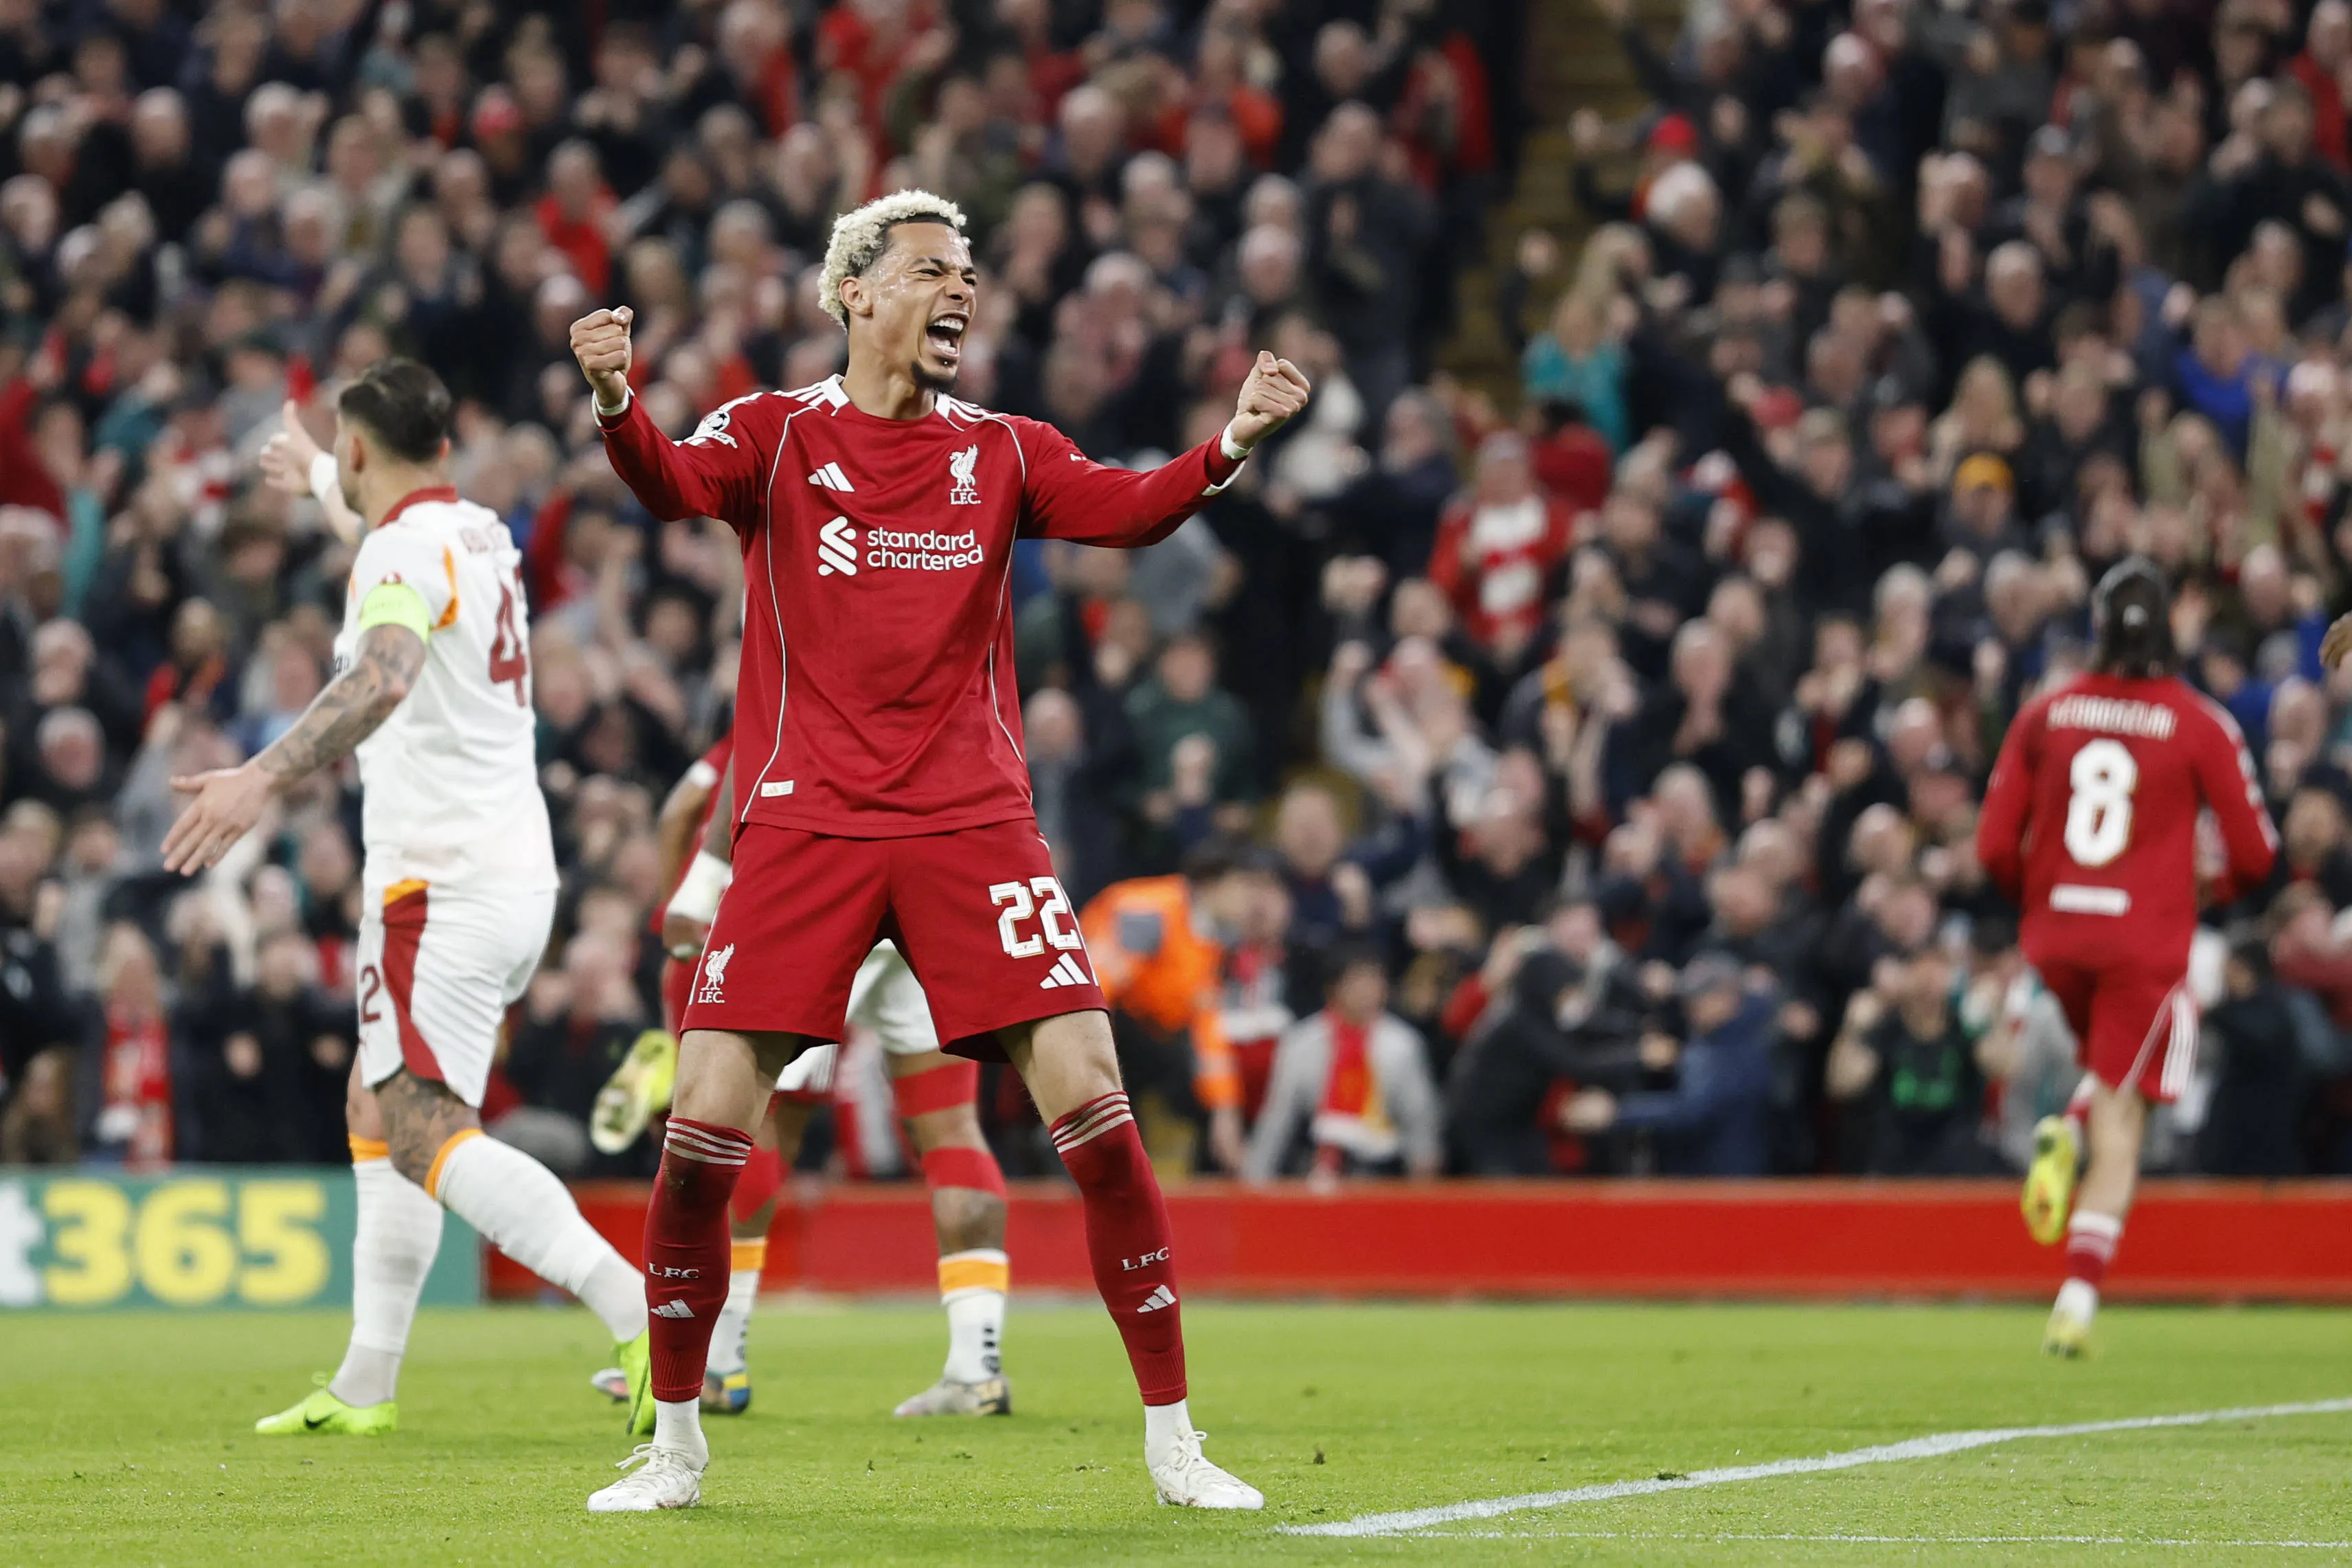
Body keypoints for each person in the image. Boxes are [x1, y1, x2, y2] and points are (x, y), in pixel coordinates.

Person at [571, 188, 1308, 1512]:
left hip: (974, 822)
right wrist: (620, 404)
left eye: (966, 274)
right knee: (699, 1132)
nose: (958, 291)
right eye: (928, 270)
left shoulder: (1002, 450)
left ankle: (1174, 1442)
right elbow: (671, 482)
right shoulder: (774, 433)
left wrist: (1225, 447)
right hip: (803, 824)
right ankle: (674, 1444)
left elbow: (1126, 510)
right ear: (855, 293)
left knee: (1097, 1114)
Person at [163, 363, 657, 1435]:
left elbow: (383, 673)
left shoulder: (401, 549)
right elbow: (397, 567)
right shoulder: (475, 530)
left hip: (438, 882)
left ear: (355, 447)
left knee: (428, 1132)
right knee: (375, 1108)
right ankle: (366, 1381)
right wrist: (321, 492)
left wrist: (260, 775)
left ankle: (643, 1309)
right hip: (514, 872)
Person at [589, 752, 1017, 1420]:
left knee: (759, 1126)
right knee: (952, 1130)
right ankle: (976, 1367)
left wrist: (695, 888)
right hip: (936, 877)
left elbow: (690, 802)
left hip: (830, 882)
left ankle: (717, 1365)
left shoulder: (793, 670)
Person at [1976, 558, 2278, 1357]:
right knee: (2127, 1115)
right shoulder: (2199, 721)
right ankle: (2075, 1299)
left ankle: (2070, 1128)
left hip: (2056, 937)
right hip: (2142, 939)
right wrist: (2206, 888)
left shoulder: (2046, 712)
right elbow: (2255, 854)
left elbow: (1992, 845)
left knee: (2110, 1077)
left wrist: (2037, 897)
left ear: (2096, 630)